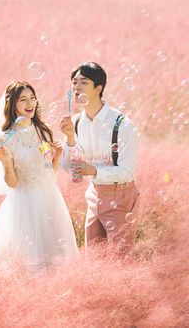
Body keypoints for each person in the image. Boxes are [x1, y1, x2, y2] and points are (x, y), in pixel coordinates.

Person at [0, 81, 78, 272]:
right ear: (12, 105)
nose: (30, 103)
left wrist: (56, 156)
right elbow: (12, 183)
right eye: (23, 99)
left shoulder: (42, 131)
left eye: (32, 98)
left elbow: (49, 172)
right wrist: (7, 162)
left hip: (50, 198)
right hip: (25, 203)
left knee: (56, 260)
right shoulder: (6, 138)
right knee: (32, 263)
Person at [60, 62, 140, 254]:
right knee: (94, 260)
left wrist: (94, 171)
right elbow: (68, 166)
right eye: (74, 82)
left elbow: (127, 173)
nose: (77, 88)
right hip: (94, 196)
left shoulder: (122, 124)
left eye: (83, 82)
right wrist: (70, 139)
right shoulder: (76, 123)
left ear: (98, 88)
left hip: (120, 197)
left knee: (120, 260)